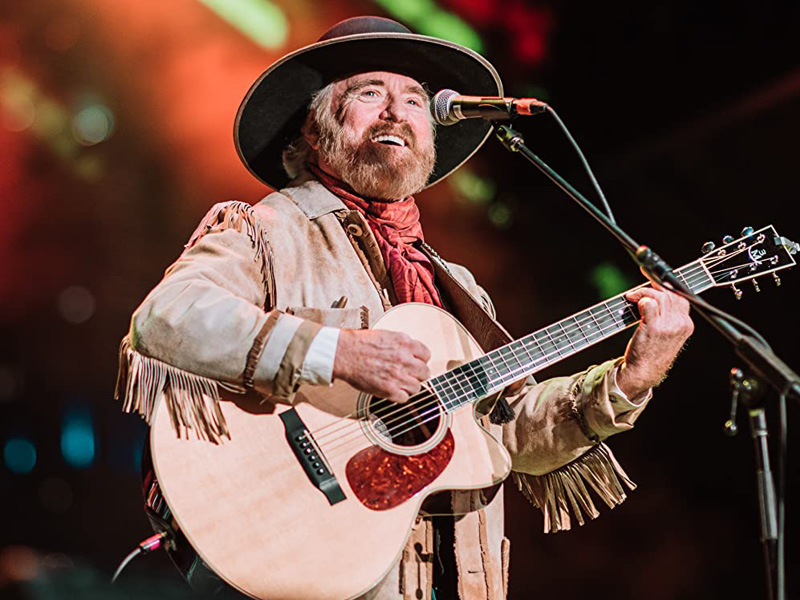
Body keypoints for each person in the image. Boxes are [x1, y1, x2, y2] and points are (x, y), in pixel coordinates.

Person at [116, 16, 693, 600]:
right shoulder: (268, 229)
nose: (398, 111)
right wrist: (336, 352)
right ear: (314, 132)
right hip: (320, 565)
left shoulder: (454, 283)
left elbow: (509, 432)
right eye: (371, 93)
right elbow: (168, 316)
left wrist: (631, 379)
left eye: (415, 99)